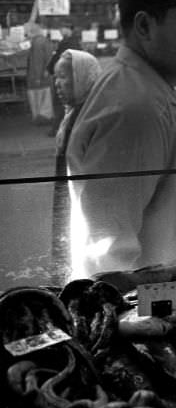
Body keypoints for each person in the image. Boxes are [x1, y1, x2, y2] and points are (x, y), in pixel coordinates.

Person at [66, 0, 176, 278]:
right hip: (166, 302)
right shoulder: (135, 107)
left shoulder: (147, 90)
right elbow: (109, 256)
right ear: (144, 26)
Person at [50, 49, 102, 278]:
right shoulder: (73, 113)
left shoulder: (89, 116)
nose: (57, 84)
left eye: (63, 77)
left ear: (82, 78)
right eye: (55, 78)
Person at [45, 24, 82, 137]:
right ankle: (67, 128)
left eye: (61, 29)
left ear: (68, 29)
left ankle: (58, 129)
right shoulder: (75, 41)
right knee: (68, 104)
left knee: (61, 104)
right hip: (71, 76)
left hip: (65, 76)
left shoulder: (67, 43)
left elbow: (58, 58)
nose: (60, 31)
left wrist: (49, 69)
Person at [25, 21, 55, 125]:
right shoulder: (45, 41)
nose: (26, 35)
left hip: (37, 77)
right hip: (44, 76)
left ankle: (41, 118)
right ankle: (46, 116)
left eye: (27, 32)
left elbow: (37, 61)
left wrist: (37, 77)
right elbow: (48, 58)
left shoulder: (37, 43)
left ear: (32, 32)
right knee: (46, 97)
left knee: (37, 97)